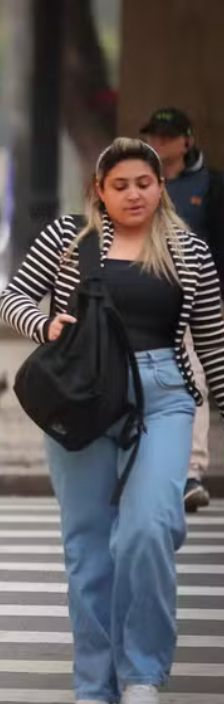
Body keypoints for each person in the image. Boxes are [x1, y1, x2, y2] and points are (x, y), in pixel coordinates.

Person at [0, 138, 224, 704]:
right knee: (89, 544)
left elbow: (215, 345)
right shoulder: (67, 238)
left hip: (164, 396)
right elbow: (13, 296)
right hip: (82, 397)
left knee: (148, 529)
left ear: (160, 186)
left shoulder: (188, 250)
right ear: (99, 189)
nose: (133, 194)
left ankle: (143, 669)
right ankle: (96, 676)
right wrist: (44, 324)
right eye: (119, 185)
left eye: (143, 184)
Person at [141, 108, 224, 512]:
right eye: (153, 135)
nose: (159, 141)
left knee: (195, 379)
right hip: (141, 294)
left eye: (167, 135)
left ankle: (190, 472)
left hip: (193, 297)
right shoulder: (142, 184)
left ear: (186, 140)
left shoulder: (208, 186)